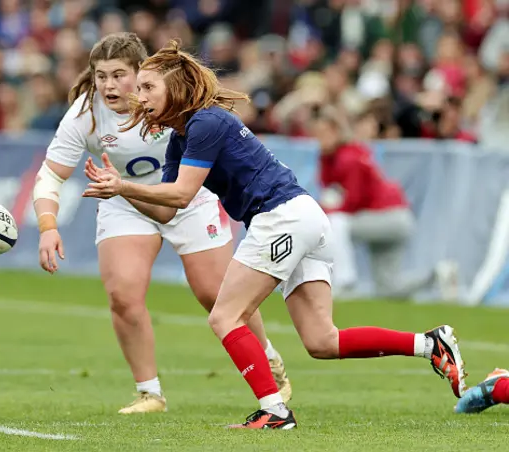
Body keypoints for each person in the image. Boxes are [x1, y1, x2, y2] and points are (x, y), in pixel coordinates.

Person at [82, 40, 468, 429]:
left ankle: (275, 410)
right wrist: (121, 191)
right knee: (322, 341)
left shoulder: (205, 122)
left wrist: (124, 187)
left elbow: (181, 193)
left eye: (149, 87)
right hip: (302, 216)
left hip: (281, 218)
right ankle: (430, 344)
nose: (138, 95)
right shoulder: (183, 138)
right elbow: (168, 208)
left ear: (176, 88)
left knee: (225, 317)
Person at [31, 32, 292, 414]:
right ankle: (149, 392)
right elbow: (50, 176)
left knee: (217, 295)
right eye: (101, 75)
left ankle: (267, 358)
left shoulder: (169, 100)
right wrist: (48, 226)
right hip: (125, 198)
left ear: (141, 73)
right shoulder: (86, 114)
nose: (108, 85)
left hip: (188, 196)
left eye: (119, 74)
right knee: (123, 293)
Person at [310, 105, 442, 299]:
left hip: (388, 218)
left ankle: (345, 281)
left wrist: (325, 210)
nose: (319, 138)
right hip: (388, 217)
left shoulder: (348, 158)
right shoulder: (332, 157)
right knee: (389, 289)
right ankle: (437, 275)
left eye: (324, 132)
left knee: (334, 223)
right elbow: (331, 189)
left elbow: (352, 202)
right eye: (316, 133)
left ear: (337, 131)